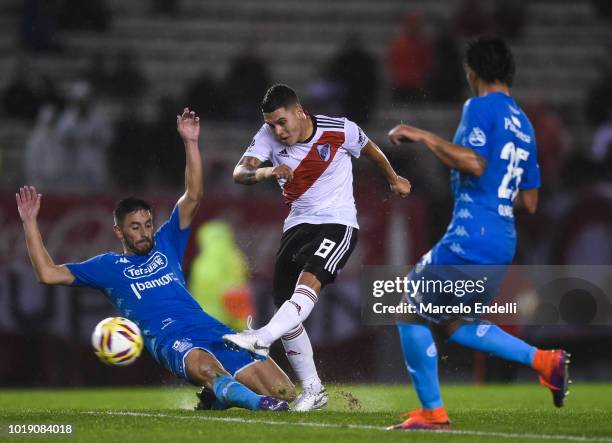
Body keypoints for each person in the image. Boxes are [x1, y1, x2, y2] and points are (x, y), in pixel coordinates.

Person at [17, 108, 295, 412]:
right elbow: (47, 273)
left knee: (287, 392)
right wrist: (30, 222)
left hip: (212, 327)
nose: (144, 232)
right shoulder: (108, 268)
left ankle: (219, 400)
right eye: (135, 227)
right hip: (171, 338)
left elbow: (193, 195)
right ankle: (260, 404)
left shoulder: (166, 242)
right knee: (209, 371)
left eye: (147, 224)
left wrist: (190, 143)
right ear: (118, 231)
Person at [385, 36, 570, 431]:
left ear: (472, 73)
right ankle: (545, 361)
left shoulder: (480, 106)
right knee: (453, 322)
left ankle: (433, 413)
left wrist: (425, 136)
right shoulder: (524, 124)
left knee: (407, 304)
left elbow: (474, 162)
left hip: (472, 231)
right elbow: (531, 201)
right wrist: (498, 199)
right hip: (502, 237)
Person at [224, 84, 411, 411]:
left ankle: (261, 338)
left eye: (282, 122)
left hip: (338, 224)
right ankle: (313, 390)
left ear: (300, 111)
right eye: (271, 125)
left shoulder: (340, 129)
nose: (277, 131)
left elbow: (370, 149)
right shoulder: (267, 136)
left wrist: (393, 178)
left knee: (307, 283)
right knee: (286, 307)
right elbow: (240, 172)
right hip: (297, 226)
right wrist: (268, 170)